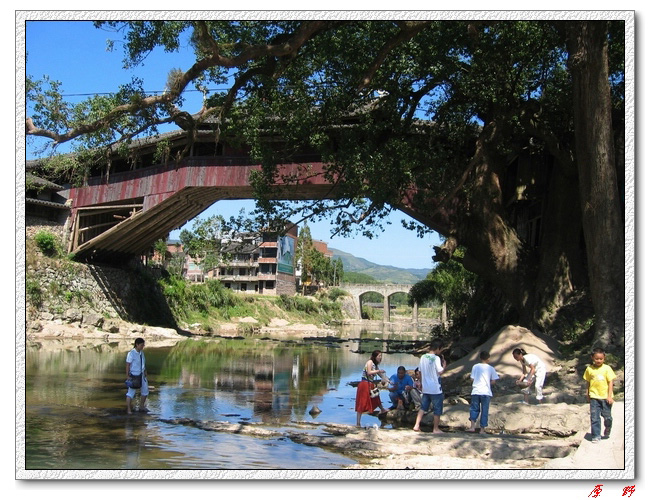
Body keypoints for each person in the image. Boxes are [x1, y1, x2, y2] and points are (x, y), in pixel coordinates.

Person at [583, 347, 616, 443]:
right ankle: (596, 436)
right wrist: (587, 393)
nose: (599, 360)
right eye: (597, 358)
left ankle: (608, 427)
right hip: (594, 397)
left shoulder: (607, 368)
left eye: (601, 359)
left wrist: (609, 396)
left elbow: (610, 382)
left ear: (604, 358)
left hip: (605, 397)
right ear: (592, 358)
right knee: (594, 418)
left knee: (607, 417)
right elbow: (588, 382)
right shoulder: (589, 369)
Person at [413, 339, 446, 433]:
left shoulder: (423, 357)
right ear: (438, 348)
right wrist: (444, 366)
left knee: (423, 407)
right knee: (437, 408)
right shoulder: (436, 358)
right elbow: (440, 371)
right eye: (441, 349)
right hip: (435, 388)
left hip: (426, 387)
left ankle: (416, 425)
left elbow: (420, 371)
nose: (441, 351)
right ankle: (435, 428)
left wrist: (422, 383)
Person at [468, 350, 499, 433]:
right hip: (486, 392)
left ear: (480, 358)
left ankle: (472, 427)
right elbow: (494, 381)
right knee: (484, 410)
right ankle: (482, 429)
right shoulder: (491, 368)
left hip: (476, 391)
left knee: (474, 408)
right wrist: (487, 382)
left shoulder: (475, 366)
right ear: (488, 359)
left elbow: (472, 378)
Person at [355, 350, 388, 426]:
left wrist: (389, 381)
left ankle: (382, 410)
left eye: (381, 356)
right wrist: (378, 370)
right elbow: (369, 372)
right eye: (379, 356)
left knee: (376, 397)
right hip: (364, 384)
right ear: (375, 356)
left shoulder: (375, 365)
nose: (380, 358)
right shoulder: (369, 362)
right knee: (361, 402)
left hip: (370, 384)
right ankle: (358, 423)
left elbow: (382, 376)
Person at [126, 337, 149, 414]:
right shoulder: (131, 353)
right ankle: (129, 409)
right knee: (131, 393)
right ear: (137, 344)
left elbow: (143, 363)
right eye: (142, 345)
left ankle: (141, 406)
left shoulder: (141, 353)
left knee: (145, 391)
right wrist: (127, 376)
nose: (143, 346)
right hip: (134, 375)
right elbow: (127, 365)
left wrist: (145, 370)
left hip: (142, 375)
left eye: (143, 345)